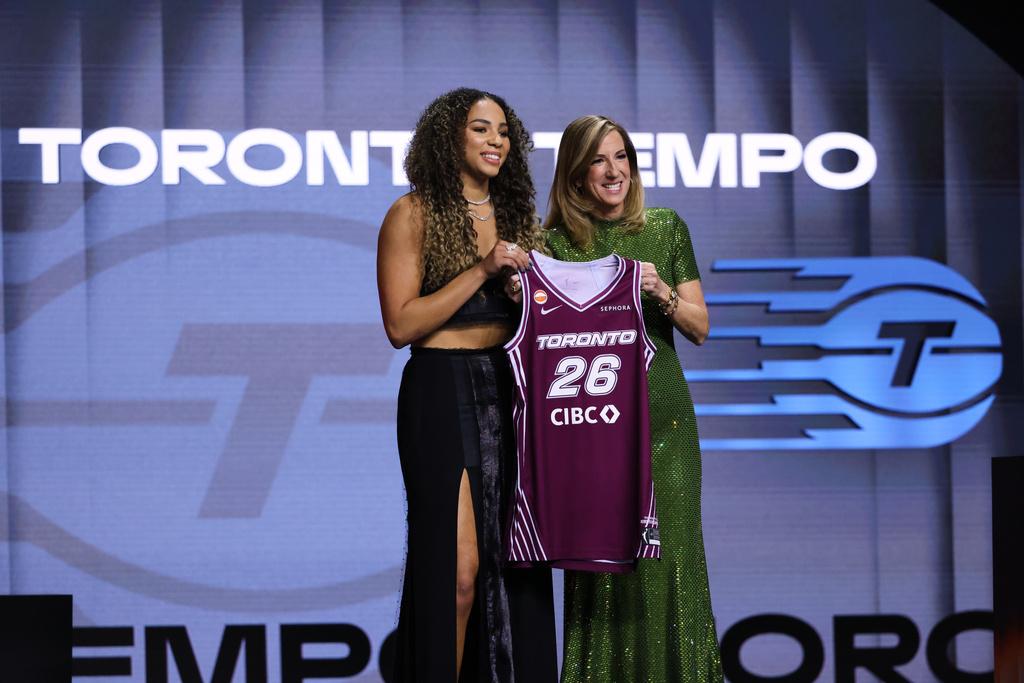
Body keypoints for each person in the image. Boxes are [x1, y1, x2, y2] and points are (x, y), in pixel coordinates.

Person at [531, 115, 723, 682]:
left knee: (675, 573)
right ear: (575, 172)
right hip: (592, 437)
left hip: (665, 430)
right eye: (598, 160)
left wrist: (661, 291)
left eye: (621, 157)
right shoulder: (553, 246)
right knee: (601, 580)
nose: (614, 171)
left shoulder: (664, 228)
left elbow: (700, 327)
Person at [376, 88, 557, 683]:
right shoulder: (413, 213)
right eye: (481, 129)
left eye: (504, 131)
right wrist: (481, 270)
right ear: (449, 137)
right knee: (456, 572)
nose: (496, 141)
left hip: (512, 392)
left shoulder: (523, 222)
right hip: (441, 390)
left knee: (515, 570)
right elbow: (401, 325)